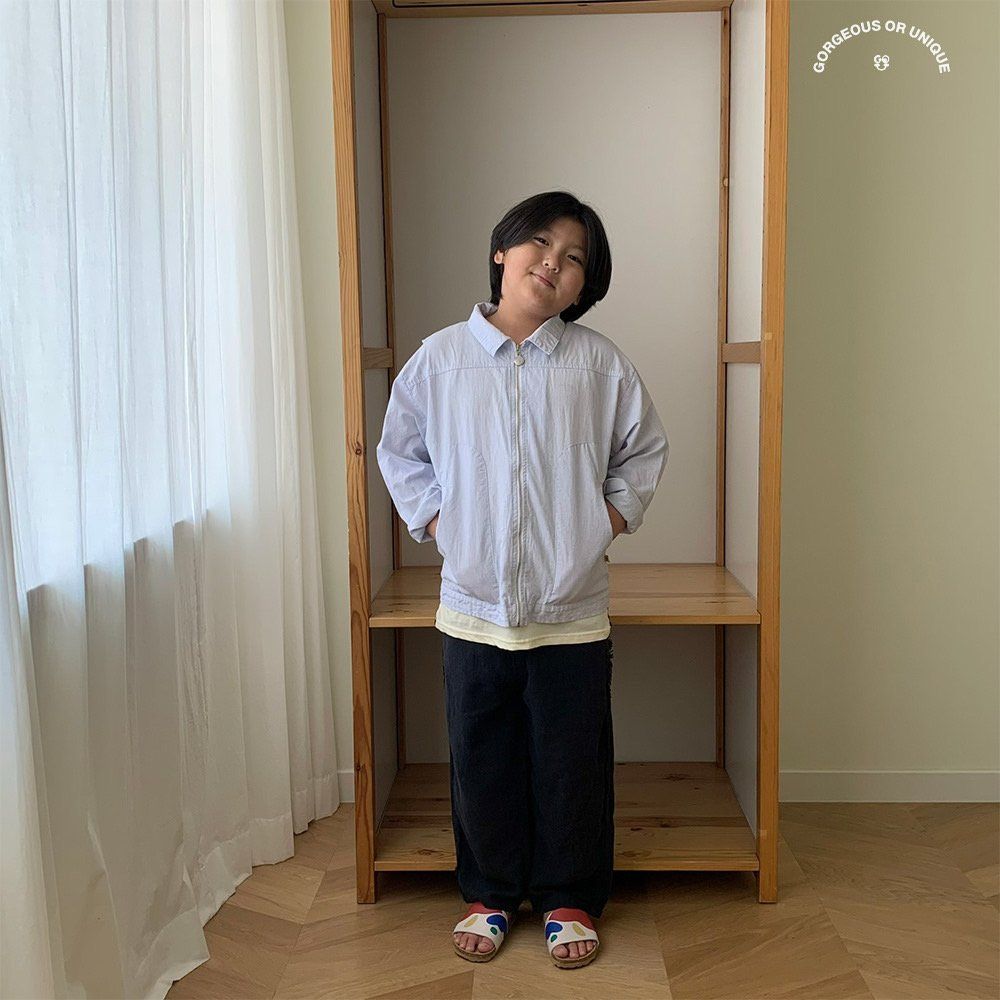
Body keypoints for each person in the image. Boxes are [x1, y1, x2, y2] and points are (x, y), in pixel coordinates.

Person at [376, 190, 669, 970]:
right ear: (502, 250)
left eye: (574, 258)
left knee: (573, 760)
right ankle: (490, 893)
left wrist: (603, 522)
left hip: (571, 612)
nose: (553, 262)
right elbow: (400, 452)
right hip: (472, 607)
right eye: (540, 242)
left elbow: (642, 451)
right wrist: (440, 522)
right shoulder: (440, 360)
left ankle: (570, 896)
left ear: (584, 284)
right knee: (482, 756)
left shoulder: (598, 364)